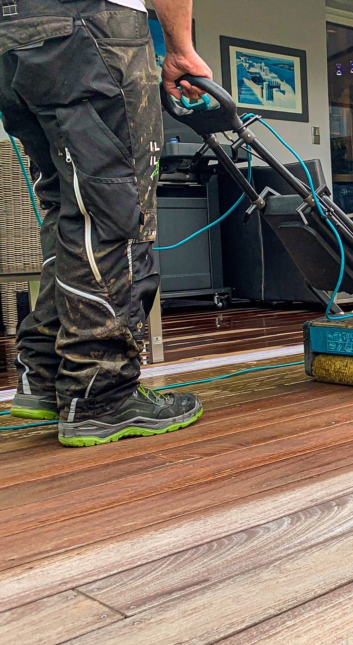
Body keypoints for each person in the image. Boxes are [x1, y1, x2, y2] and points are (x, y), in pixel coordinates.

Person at [0, 0, 212, 446]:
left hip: (14, 38)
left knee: (69, 206)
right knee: (114, 211)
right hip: (89, 30)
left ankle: (43, 377)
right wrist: (180, 48)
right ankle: (101, 395)